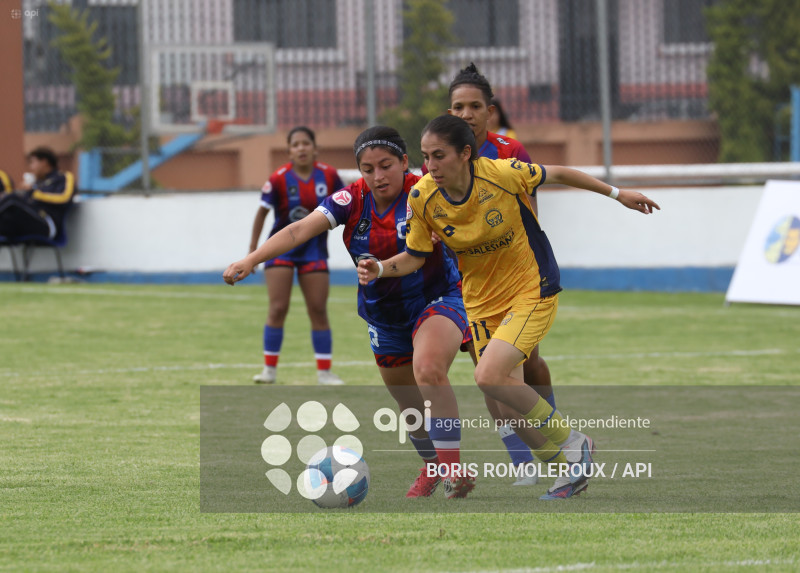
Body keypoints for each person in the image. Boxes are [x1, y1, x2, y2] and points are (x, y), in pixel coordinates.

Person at [357, 114, 661, 499]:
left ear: (465, 154)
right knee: (508, 409)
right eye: (426, 157)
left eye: (439, 156)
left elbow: (562, 174)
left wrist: (619, 195)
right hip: (482, 304)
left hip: (531, 288)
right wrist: (381, 268)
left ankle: (576, 443)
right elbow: (416, 255)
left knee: (488, 377)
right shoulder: (423, 198)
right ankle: (569, 471)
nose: (430, 166)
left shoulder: (501, 174)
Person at [225, 127, 475, 498]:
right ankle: (433, 466)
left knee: (428, 369)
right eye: (368, 168)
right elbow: (298, 231)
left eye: (386, 166)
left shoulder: (425, 190)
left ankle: (455, 470)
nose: (378, 176)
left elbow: (469, 218)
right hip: (383, 314)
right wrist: (251, 259)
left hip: (436, 298)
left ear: (405, 163)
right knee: (408, 404)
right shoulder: (350, 198)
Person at [447, 63, 552, 482]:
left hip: (518, 276)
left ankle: (551, 431)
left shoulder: (510, 152)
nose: (467, 114)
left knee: (530, 363)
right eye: (458, 106)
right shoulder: (439, 154)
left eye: (475, 106)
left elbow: (531, 212)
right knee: (487, 371)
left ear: (490, 111)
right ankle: (522, 458)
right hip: (469, 284)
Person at [249, 127, 345, 386]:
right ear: (289, 150)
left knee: (318, 309)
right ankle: (269, 370)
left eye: (306, 143)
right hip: (281, 251)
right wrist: (253, 252)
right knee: (278, 308)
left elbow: (349, 209)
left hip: (314, 252)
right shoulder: (279, 179)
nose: (301, 148)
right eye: (295, 144)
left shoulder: (330, 176)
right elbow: (261, 213)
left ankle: (325, 372)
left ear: (315, 148)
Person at [0, 147, 75, 240]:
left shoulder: (63, 177)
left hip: (47, 223)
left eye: (32, 162)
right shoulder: (38, 183)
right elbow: (27, 203)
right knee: (6, 218)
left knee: (12, 198)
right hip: (29, 220)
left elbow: (65, 198)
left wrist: (32, 192)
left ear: (44, 162)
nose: (31, 167)